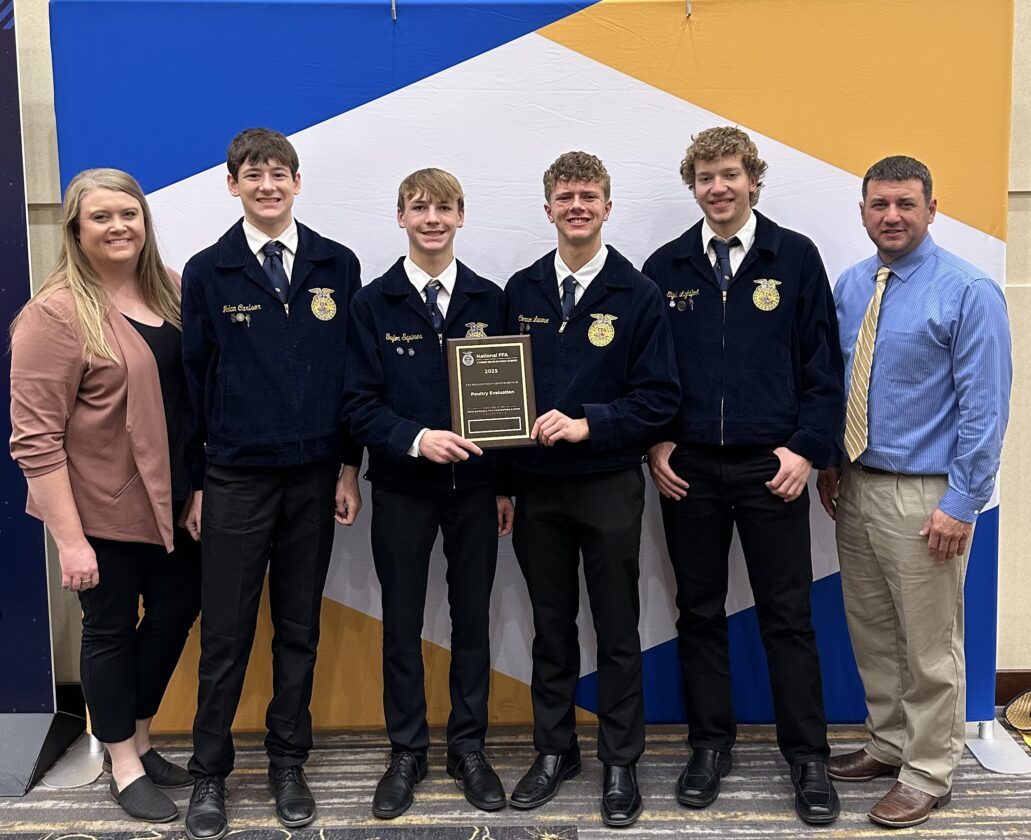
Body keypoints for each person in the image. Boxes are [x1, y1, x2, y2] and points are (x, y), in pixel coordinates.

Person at [642, 126, 844, 825]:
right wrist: (655, 442)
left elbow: (822, 366)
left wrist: (805, 450)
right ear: (693, 186)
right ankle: (709, 746)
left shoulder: (795, 257)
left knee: (787, 618)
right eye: (705, 177)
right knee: (698, 614)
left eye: (729, 174)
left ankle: (808, 757)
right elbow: (645, 371)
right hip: (689, 471)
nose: (718, 187)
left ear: (753, 179)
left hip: (772, 467)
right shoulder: (665, 266)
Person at [817, 156, 1012, 829]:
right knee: (872, 631)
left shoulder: (968, 291)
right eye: (879, 205)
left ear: (931, 208)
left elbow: (985, 408)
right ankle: (888, 744)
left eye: (905, 204)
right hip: (858, 484)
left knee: (930, 644)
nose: (891, 216)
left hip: (927, 495)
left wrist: (961, 502)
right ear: (862, 211)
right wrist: (831, 462)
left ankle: (928, 771)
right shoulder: (851, 286)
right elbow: (839, 385)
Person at [180, 128, 363, 840]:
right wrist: (198, 482)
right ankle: (209, 773)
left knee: (298, 630)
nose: (267, 186)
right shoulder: (209, 271)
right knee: (225, 635)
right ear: (232, 185)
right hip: (234, 479)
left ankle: (288, 763)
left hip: (314, 478)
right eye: (252, 175)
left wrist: (348, 465)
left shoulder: (335, 264)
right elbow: (193, 383)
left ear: (296, 182)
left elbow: (354, 375)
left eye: (278, 174)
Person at [9, 168, 200, 823]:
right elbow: (35, 440)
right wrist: (70, 540)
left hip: (176, 504)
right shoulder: (54, 315)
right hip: (101, 512)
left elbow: (195, 400)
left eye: (129, 214)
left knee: (174, 616)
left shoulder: (172, 288)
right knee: (111, 631)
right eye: (101, 217)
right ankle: (121, 762)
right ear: (75, 229)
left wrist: (200, 486)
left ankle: (141, 741)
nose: (118, 226)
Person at [504, 151, 680, 828]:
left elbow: (659, 397)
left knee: (616, 628)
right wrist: (502, 480)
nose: (576, 206)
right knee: (550, 627)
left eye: (588, 196)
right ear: (547, 207)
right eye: (565, 196)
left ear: (607, 206)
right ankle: (555, 751)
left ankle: (619, 760)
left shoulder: (637, 294)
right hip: (536, 489)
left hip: (607, 483)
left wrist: (589, 424)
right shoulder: (520, 291)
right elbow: (496, 392)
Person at [343, 168, 511, 819]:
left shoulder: (489, 299)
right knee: (403, 624)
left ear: (461, 217)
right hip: (403, 489)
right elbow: (357, 405)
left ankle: (467, 747)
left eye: (443, 208)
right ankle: (406, 751)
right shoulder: (371, 304)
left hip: (476, 491)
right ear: (401, 218)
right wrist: (416, 439)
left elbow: (509, 402)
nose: (432, 219)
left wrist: (504, 485)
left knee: (472, 620)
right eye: (419, 208)